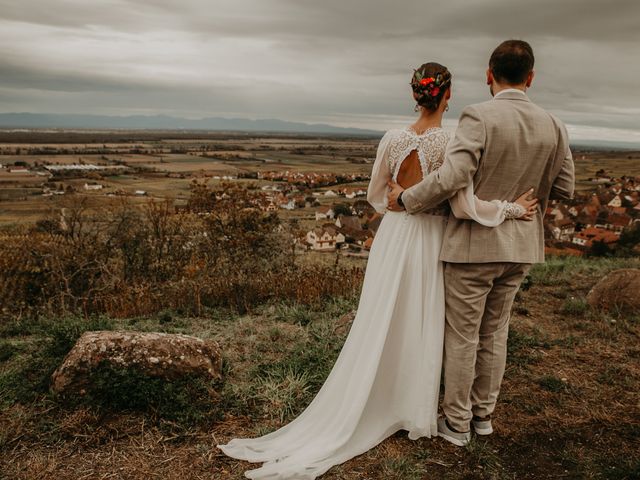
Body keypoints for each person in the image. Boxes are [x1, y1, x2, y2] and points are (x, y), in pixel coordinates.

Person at [216, 60, 537, 479]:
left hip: (394, 236)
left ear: (415, 94)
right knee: (424, 319)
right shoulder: (453, 140)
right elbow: (464, 205)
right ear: (449, 94)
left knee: (384, 316)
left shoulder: (392, 137)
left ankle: (380, 394)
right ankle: (413, 405)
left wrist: (401, 201)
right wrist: (512, 208)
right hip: (432, 236)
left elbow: (376, 196)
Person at [387, 40, 575, 447]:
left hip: (473, 248)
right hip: (521, 246)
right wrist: (523, 204)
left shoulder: (478, 116)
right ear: (531, 77)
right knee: (496, 332)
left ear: (489, 74)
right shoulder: (554, 124)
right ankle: (484, 417)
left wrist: (406, 198)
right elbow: (565, 187)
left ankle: (457, 423)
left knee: (463, 336)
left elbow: (453, 178)